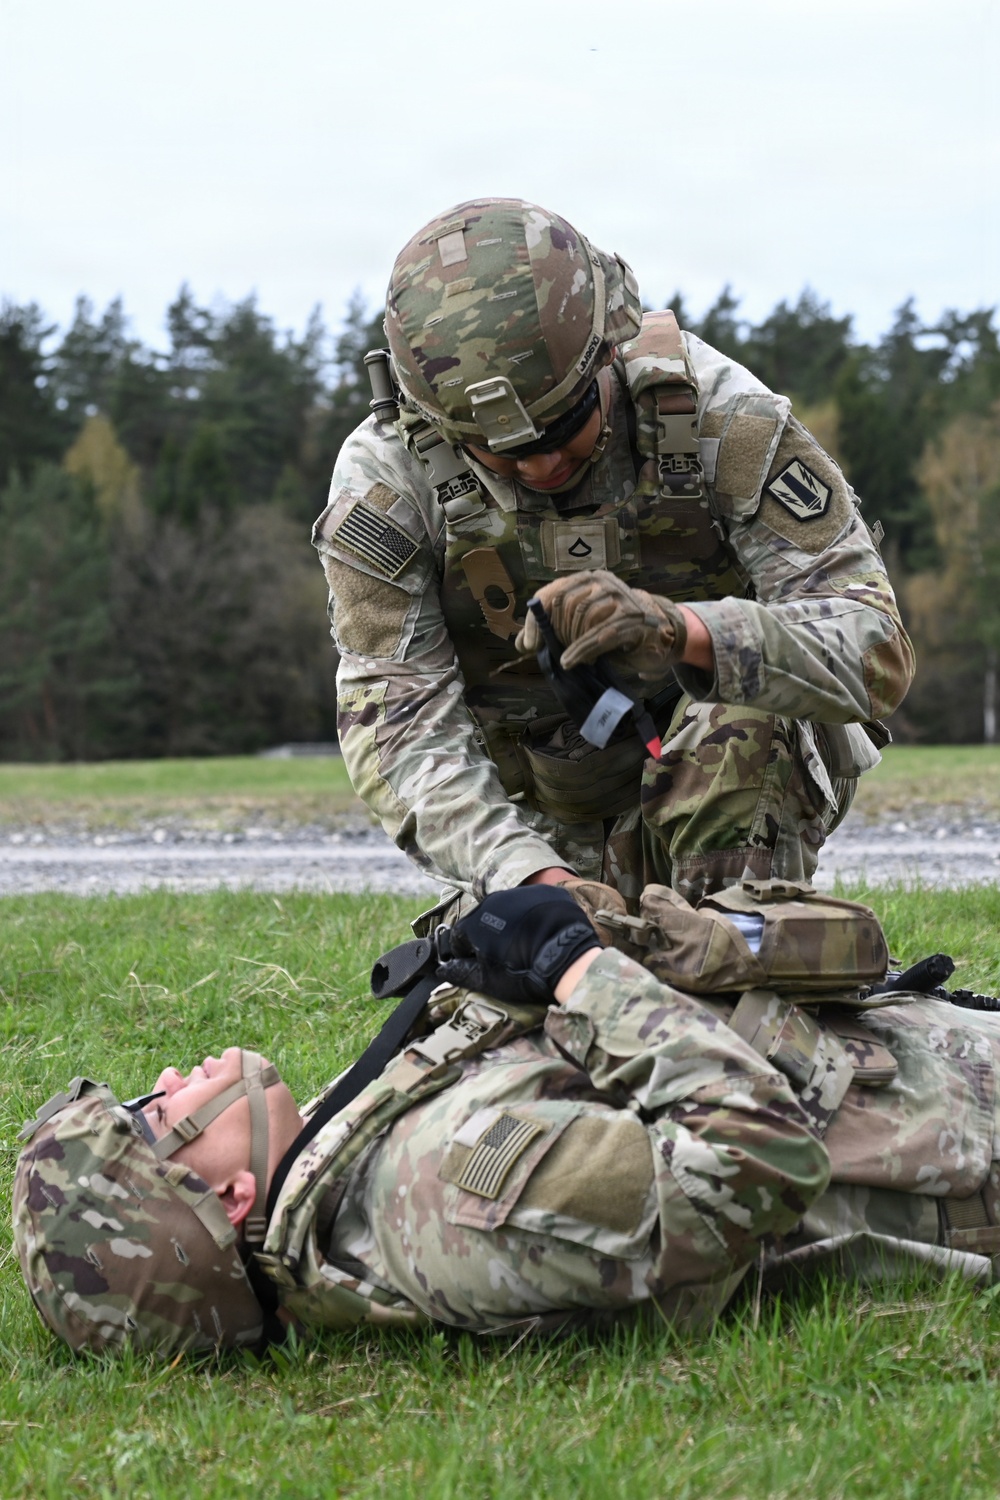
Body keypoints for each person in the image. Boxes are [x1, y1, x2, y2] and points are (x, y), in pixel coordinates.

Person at [14, 886, 1000, 1358]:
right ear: (230, 1199)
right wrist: (579, 971)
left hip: (921, 1070)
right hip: (959, 1135)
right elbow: (758, 1161)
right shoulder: (442, 1195)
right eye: (153, 1114)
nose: (167, 1078)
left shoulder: (341, 1148)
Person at [313, 198, 914, 925]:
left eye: (566, 424)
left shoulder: (723, 421)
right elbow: (398, 722)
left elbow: (874, 651)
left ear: (611, 351)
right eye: (500, 453)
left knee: (743, 727)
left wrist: (686, 632)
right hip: (534, 832)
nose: (542, 465)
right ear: (436, 425)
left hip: (729, 788)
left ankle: (739, 941)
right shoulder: (389, 484)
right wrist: (527, 877)